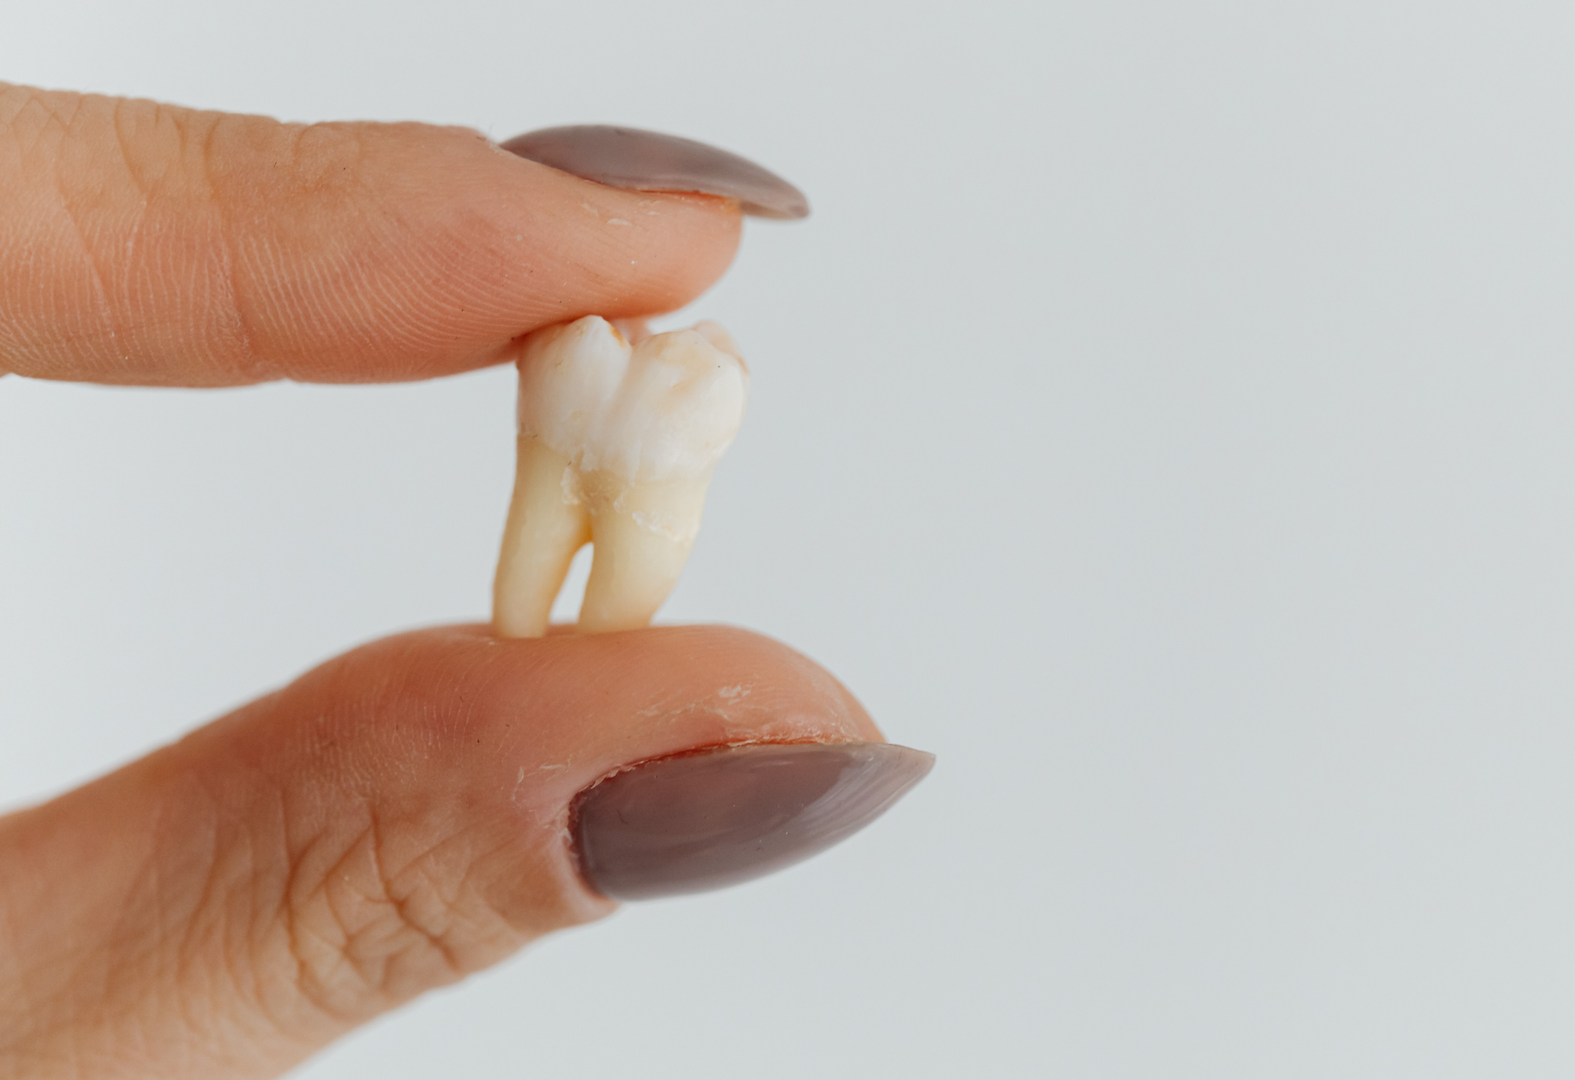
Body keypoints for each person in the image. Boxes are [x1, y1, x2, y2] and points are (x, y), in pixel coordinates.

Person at [0, 83, 929, 1079]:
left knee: (556, 591)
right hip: (596, 425)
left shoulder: (659, 383)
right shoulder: (626, 378)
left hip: (620, 431)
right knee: (541, 591)